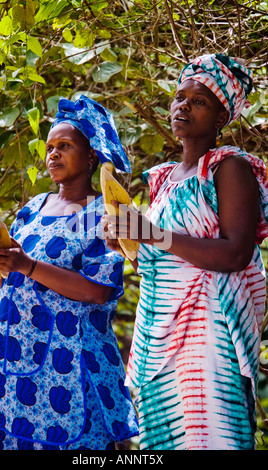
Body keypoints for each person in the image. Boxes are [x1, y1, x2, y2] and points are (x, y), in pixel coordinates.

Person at [102, 54, 268, 450]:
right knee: (165, 441)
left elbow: (234, 255)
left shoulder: (228, 168)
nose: (183, 106)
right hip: (157, 332)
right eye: (179, 97)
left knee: (211, 435)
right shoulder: (162, 179)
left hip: (208, 328)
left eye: (199, 101)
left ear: (220, 117)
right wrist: (128, 241)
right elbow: (164, 257)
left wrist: (152, 233)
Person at [0, 95, 138, 450]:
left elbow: (98, 291)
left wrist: (25, 264)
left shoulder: (107, 213)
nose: (53, 155)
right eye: (49, 148)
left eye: (64, 146)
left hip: (73, 365)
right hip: (18, 363)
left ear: (91, 155)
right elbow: (10, 286)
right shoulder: (32, 209)